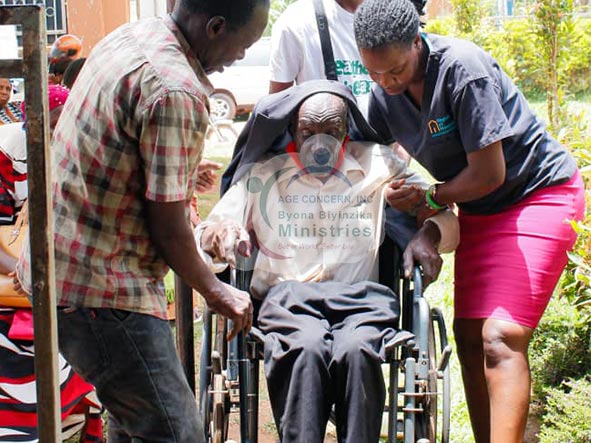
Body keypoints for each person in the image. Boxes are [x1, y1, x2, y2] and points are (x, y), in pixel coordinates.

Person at [15, 0, 270, 441]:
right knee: (176, 434)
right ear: (215, 27)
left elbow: (123, 159)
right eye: (243, 45)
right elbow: (168, 229)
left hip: (62, 275)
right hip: (102, 294)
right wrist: (216, 291)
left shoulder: (132, 38)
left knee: (135, 422)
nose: (240, 56)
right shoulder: (176, 90)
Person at [353, 1, 586, 442]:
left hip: (537, 195)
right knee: (469, 337)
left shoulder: (462, 70)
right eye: (374, 73)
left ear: (416, 42)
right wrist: (398, 197)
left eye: (395, 70)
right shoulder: (384, 94)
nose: (386, 83)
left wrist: (430, 196)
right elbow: (376, 161)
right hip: (479, 208)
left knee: (500, 337)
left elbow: (489, 173)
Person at [196, 80, 459, 442]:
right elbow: (209, 230)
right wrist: (221, 233)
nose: (320, 145)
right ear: (293, 130)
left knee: (357, 350)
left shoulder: (379, 164)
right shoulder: (264, 173)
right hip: (289, 301)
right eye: (309, 133)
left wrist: (429, 232)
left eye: (331, 133)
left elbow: (444, 213)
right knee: (304, 348)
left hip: (361, 301)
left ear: (347, 130)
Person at [0, 83, 103, 443]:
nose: (61, 131)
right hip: (14, 287)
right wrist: (23, 269)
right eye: (54, 122)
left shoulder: (80, 157)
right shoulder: (7, 159)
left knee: (89, 333)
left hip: (61, 281)